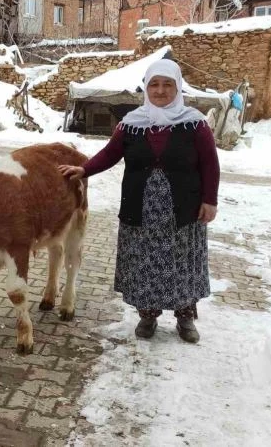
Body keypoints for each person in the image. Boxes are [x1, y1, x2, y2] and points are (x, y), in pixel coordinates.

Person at [59, 59, 220, 343]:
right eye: (154, 84)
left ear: (177, 87)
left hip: (182, 210)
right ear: (146, 88)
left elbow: (210, 164)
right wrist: (84, 169)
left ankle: (184, 318)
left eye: (167, 84)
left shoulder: (194, 123)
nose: (160, 91)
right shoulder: (132, 124)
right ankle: (148, 316)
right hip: (141, 208)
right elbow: (110, 154)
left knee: (181, 262)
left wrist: (210, 200)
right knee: (145, 262)